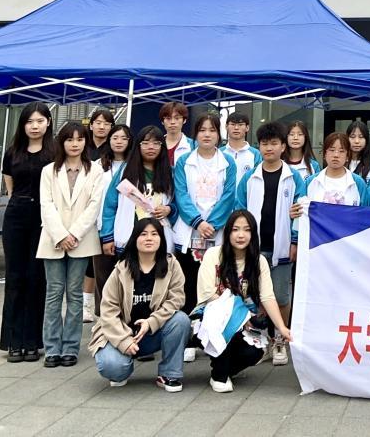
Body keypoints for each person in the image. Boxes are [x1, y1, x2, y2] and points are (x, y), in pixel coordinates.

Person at [196, 210, 293, 392]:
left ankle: (223, 368)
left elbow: (267, 296)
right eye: (235, 229)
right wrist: (239, 316)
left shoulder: (258, 261)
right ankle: (219, 376)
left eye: (247, 230)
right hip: (209, 318)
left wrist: (282, 327)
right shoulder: (213, 254)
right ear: (227, 232)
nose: (241, 235)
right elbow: (209, 294)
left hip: (244, 322)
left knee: (255, 352)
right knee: (227, 328)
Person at [90, 218, 188, 392]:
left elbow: (176, 300)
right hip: (121, 333)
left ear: (161, 239)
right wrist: (124, 341)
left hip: (152, 333)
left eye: (154, 234)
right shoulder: (121, 269)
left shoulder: (171, 265)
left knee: (181, 320)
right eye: (143, 234)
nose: (149, 238)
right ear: (135, 239)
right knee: (112, 367)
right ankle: (122, 367)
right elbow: (108, 311)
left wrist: (151, 322)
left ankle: (169, 374)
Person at [37, 121, 105, 368]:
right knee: (54, 293)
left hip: (82, 239)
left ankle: (70, 347)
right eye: (69, 139)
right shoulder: (49, 171)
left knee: (75, 294)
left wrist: (74, 234)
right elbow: (46, 205)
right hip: (53, 239)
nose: (75, 144)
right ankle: (52, 347)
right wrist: (61, 235)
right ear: (61, 142)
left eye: (79, 139)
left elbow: (94, 206)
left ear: (86, 141)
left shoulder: (95, 170)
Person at [172, 112, 238, 363]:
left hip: (217, 233)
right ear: (195, 134)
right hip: (190, 232)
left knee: (217, 286)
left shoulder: (227, 162)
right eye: (202, 130)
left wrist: (213, 224)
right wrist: (198, 222)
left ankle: (214, 335)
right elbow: (181, 194)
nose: (207, 134)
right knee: (189, 285)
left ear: (218, 134)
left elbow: (229, 196)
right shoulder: (184, 162)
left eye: (212, 130)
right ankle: (189, 339)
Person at [235, 121, 302, 366]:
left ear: (283, 146)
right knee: (254, 296)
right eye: (264, 143)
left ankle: (280, 340)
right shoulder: (249, 177)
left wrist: (294, 241)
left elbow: (300, 211)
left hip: (282, 247)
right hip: (254, 248)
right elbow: (239, 210)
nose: (269, 148)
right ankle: (261, 340)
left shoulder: (294, 177)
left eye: (274, 143)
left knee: (282, 296)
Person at [0, 102, 55, 363]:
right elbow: (10, 188)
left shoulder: (55, 152)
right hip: (16, 216)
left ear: (48, 123)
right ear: (23, 125)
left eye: (40, 121)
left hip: (43, 219)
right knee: (15, 277)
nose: (35, 126)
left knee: (37, 278)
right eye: (29, 121)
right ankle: (13, 341)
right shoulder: (12, 152)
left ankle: (33, 341)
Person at [100, 126, 176, 295]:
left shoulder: (170, 172)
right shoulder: (125, 171)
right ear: (138, 145)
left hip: (159, 240)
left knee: (155, 287)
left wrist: (169, 209)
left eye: (156, 143)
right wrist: (107, 237)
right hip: (127, 237)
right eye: (146, 143)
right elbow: (110, 205)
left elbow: (177, 203)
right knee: (126, 286)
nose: (151, 147)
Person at [89, 124, 133, 319]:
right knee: (103, 276)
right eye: (115, 137)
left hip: (127, 229)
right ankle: (103, 320)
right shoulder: (97, 166)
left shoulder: (134, 166)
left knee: (126, 278)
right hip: (100, 228)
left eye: (124, 138)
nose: (119, 142)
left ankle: (124, 319)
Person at [303, 132, 370, 206]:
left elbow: (365, 210)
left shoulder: (358, 182)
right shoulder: (311, 181)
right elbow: (301, 208)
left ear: (347, 156)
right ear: (324, 154)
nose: (336, 155)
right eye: (332, 150)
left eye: (341, 151)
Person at [221, 113, 262, 180]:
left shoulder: (256, 154)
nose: (236, 128)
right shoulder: (219, 153)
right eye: (233, 124)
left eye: (240, 125)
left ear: (247, 128)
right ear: (226, 127)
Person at [347, 119, 370, 189]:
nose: (357, 141)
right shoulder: (341, 162)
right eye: (352, 137)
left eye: (361, 137)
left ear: (366, 140)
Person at [160, 101, 194, 167]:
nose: (172, 122)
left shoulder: (194, 146)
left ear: (184, 120)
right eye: (168, 118)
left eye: (177, 118)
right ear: (162, 121)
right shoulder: (156, 144)